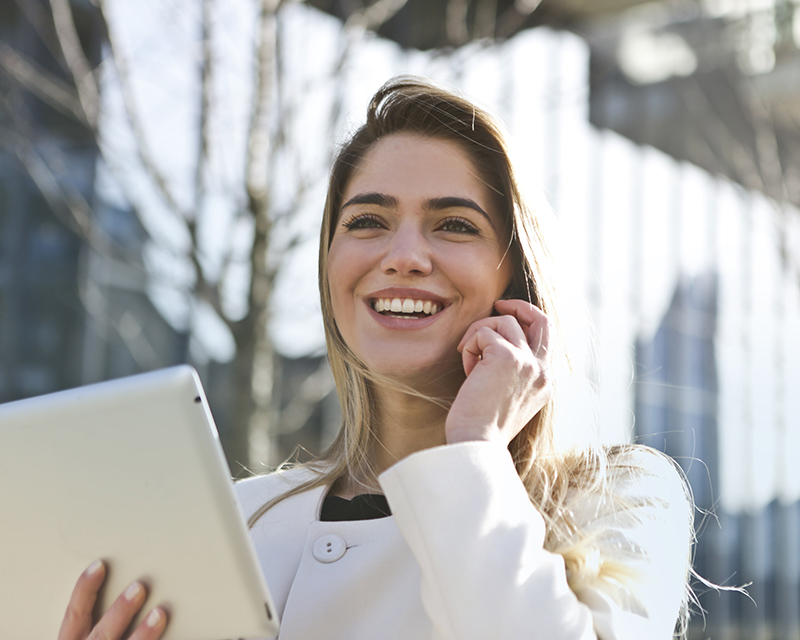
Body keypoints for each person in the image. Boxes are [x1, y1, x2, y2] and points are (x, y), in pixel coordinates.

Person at [59, 76, 694, 640]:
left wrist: (472, 449)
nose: (404, 255)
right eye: (367, 221)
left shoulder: (624, 499)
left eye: (454, 224)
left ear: (516, 280)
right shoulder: (241, 518)